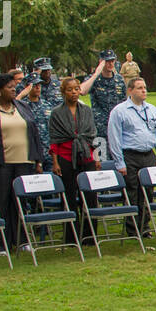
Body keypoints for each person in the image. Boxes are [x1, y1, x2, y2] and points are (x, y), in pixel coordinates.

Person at [0, 73, 44, 249]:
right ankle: (1, 244)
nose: (14, 89)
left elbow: (34, 134)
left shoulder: (23, 106)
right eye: (9, 87)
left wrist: (38, 161)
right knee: (2, 203)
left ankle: (21, 240)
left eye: (14, 86)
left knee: (20, 202)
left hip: (24, 162)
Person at [107, 76, 156, 234]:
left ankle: (145, 226)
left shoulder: (153, 110)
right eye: (139, 88)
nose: (144, 90)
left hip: (149, 155)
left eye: (145, 87)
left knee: (148, 191)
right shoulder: (119, 111)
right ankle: (133, 228)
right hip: (130, 156)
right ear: (130, 90)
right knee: (132, 192)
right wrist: (119, 163)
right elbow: (114, 138)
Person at [48, 76, 99, 245]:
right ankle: (71, 236)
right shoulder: (57, 113)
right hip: (65, 157)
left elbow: (92, 135)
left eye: (76, 89)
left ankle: (90, 234)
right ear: (63, 92)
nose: (74, 93)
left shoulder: (86, 111)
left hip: (86, 156)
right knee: (69, 196)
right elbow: (54, 139)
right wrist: (55, 162)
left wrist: (96, 157)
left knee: (90, 195)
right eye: (70, 90)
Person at [80, 50, 127, 163]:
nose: (110, 64)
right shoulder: (94, 79)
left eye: (112, 61)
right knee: (101, 163)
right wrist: (96, 74)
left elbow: (124, 102)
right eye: (107, 61)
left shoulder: (119, 80)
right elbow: (82, 91)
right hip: (99, 130)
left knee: (119, 162)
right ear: (101, 62)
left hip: (117, 128)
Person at [18, 74, 55, 172]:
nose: (38, 87)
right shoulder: (22, 105)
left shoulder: (47, 105)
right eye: (34, 85)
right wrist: (22, 94)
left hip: (48, 152)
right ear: (27, 87)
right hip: (32, 153)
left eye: (39, 85)